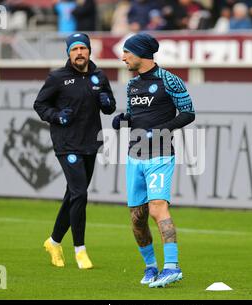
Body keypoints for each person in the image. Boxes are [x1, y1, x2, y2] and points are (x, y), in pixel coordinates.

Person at [112, 33, 195, 288]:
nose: (123, 57)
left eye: (127, 52)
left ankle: (172, 266)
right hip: (134, 156)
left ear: (141, 54)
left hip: (159, 154)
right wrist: (122, 121)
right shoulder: (132, 85)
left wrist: (163, 129)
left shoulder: (169, 79)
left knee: (158, 207)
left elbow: (188, 113)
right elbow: (135, 116)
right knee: (137, 217)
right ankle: (151, 268)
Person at [34, 33, 116, 269]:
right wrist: (57, 117)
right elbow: (40, 105)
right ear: (68, 53)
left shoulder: (99, 76)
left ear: (89, 51)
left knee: (74, 194)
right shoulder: (58, 77)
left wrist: (107, 102)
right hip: (66, 143)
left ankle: (53, 241)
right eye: (74, 49)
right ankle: (80, 250)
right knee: (80, 193)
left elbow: (109, 106)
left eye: (83, 48)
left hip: (90, 141)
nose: (79, 53)